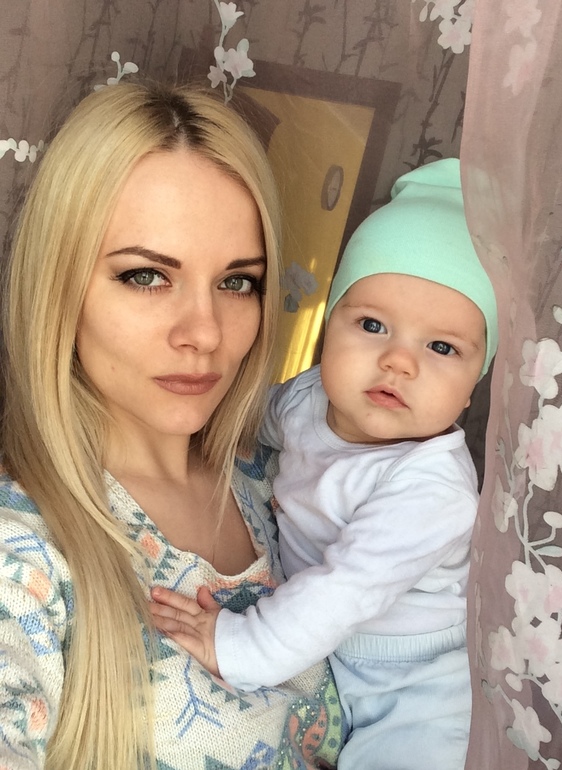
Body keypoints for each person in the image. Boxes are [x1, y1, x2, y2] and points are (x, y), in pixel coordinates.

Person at [0, 82, 346, 770]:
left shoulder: (282, 485)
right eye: (146, 276)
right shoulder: (22, 550)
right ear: (59, 285)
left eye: (237, 282)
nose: (205, 333)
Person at [150, 158, 499, 770]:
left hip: (415, 683)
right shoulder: (310, 398)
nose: (399, 362)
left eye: (442, 347)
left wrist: (240, 647)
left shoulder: (434, 488)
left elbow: (344, 591)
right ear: (326, 329)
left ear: (473, 387)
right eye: (372, 324)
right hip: (331, 654)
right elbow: (245, 420)